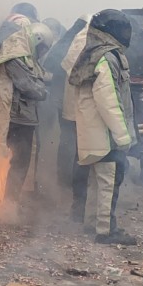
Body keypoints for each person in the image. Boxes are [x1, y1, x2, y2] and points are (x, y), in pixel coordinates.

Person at [69, 9, 137, 245]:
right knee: (109, 182)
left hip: (94, 132)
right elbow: (109, 100)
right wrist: (123, 136)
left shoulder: (94, 53)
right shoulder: (107, 57)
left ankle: (92, 223)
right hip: (105, 134)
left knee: (97, 181)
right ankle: (106, 231)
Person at [0, 22, 53, 214]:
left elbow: (36, 74)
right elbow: (27, 85)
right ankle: (9, 205)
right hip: (17, 116)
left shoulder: (21, 50)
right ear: (38, 39)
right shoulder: (15, 53)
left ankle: (11, 202)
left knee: (20, 161)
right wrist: (44, 92)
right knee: (19, 161)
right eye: (42, 48)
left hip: (21, 114)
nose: (41, 52)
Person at [54, 16, 92, 220]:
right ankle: (77, 204)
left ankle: (63, 187)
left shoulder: (72, 42)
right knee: (81, 156)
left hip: (69, 109)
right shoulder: (90, 43)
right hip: (84, 112)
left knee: (69, 148)